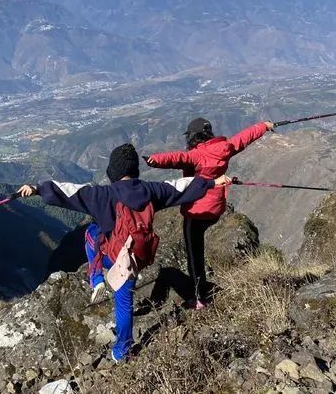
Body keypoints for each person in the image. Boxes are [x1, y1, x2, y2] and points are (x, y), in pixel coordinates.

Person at [17, 143, 232, 361]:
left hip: (116, 258)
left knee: (91, 233)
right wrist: (213, 182)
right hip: (141, 254)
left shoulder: (101, 195)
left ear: (114, 171)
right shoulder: (151, 190)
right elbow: (180, 187)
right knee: (123, 296)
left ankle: (99, 285)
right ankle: (121, 347)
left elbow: (69, 191)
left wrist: (37, 188)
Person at [144, 117, 274, 308]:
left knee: (194, 255)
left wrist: (153, 160)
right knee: (198, 248)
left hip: (196, 212)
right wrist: (264, 126)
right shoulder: (225, 148)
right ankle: (200, 292)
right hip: (216, 208)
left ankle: (198, 298)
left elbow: (177, 158)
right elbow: (244, 137)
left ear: (193, 136)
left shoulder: (197, 155)